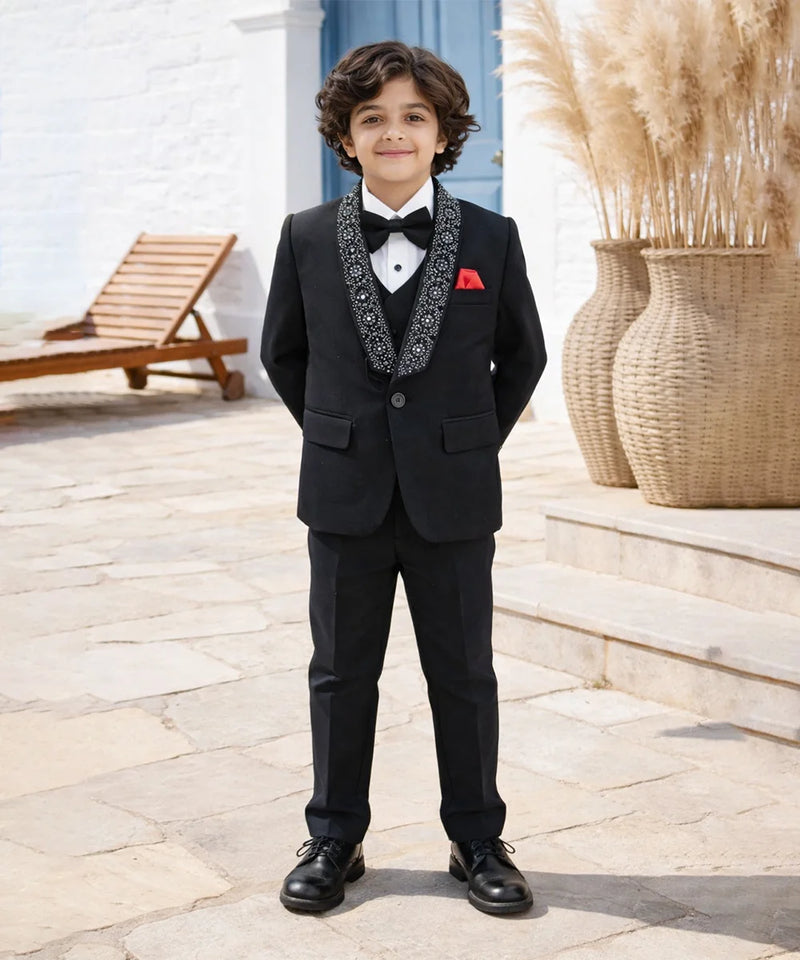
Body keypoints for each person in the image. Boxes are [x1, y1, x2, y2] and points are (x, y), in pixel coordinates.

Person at [261, 40, 546, 916]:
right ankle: (334, 835)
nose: (394, 132)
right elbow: (285, 353)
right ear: (345, 137)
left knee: (463, 671)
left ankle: (477, 837)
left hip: (453, 495)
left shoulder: (490, 238)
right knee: (341, 671)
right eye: (372, 118)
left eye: (413, 116)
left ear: (443, 133)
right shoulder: (306, 235)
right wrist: (340, 434)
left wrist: (464, 443)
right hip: (345, 492)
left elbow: (522, 354)